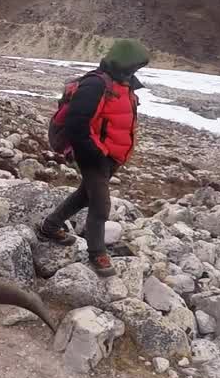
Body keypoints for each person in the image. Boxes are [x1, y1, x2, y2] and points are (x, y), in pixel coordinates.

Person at [38, 39, 149, 277]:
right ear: (125, 63)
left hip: (111, 156)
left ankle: (50, 226)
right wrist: (96, 153)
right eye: (135, 67)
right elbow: (76, 125)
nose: (136, 72)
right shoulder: (95, 85)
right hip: (92, 155)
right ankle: (97, 252)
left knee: (85, 195)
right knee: (101, 205)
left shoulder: (124, 84)